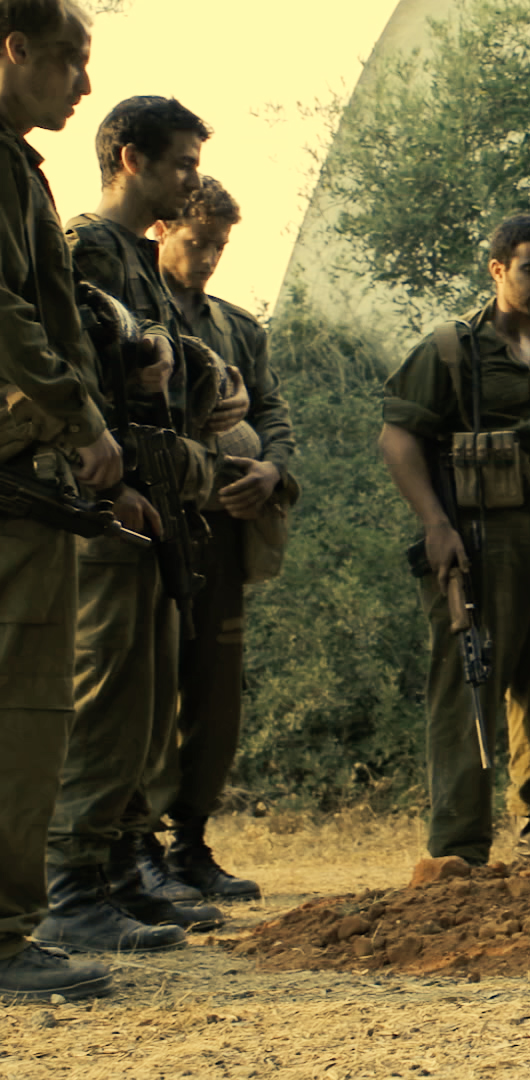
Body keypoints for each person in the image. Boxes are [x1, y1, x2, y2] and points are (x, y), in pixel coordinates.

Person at [39, 93, 234, 953]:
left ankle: (119, 869)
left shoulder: (142, 263)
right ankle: (68, 883)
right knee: (107, 700)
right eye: (182, 163)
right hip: (110, 507)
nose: (191, 180)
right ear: (131, 159)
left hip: (159, 503)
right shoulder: (86, 248)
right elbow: (72, 374)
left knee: (148, 707)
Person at [379, 213, 530, 864]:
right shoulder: (451, 349)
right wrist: (435, 524)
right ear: (498, 269)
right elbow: (398, 436)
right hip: (481, 538)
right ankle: (459, 846)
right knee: (469, 690)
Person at [0, 0, 123, 1002]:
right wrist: (80, 422)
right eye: (72, 62)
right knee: (23, 707)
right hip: (14, 479)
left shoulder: (16, 165)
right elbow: (5, 311)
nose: (83, 85)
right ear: (17, 50)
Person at [147, 177, 294, 900]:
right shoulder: (130, 313)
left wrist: (271, 470)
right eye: (195, 241)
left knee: (215, 692)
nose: (206, 258)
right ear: (162, 231)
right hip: (153, 523)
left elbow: (274, 412)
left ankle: (191, 841)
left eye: (218, 246)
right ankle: (129, 844)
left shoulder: (239, 327)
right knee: (145, 688)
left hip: (224, 529)